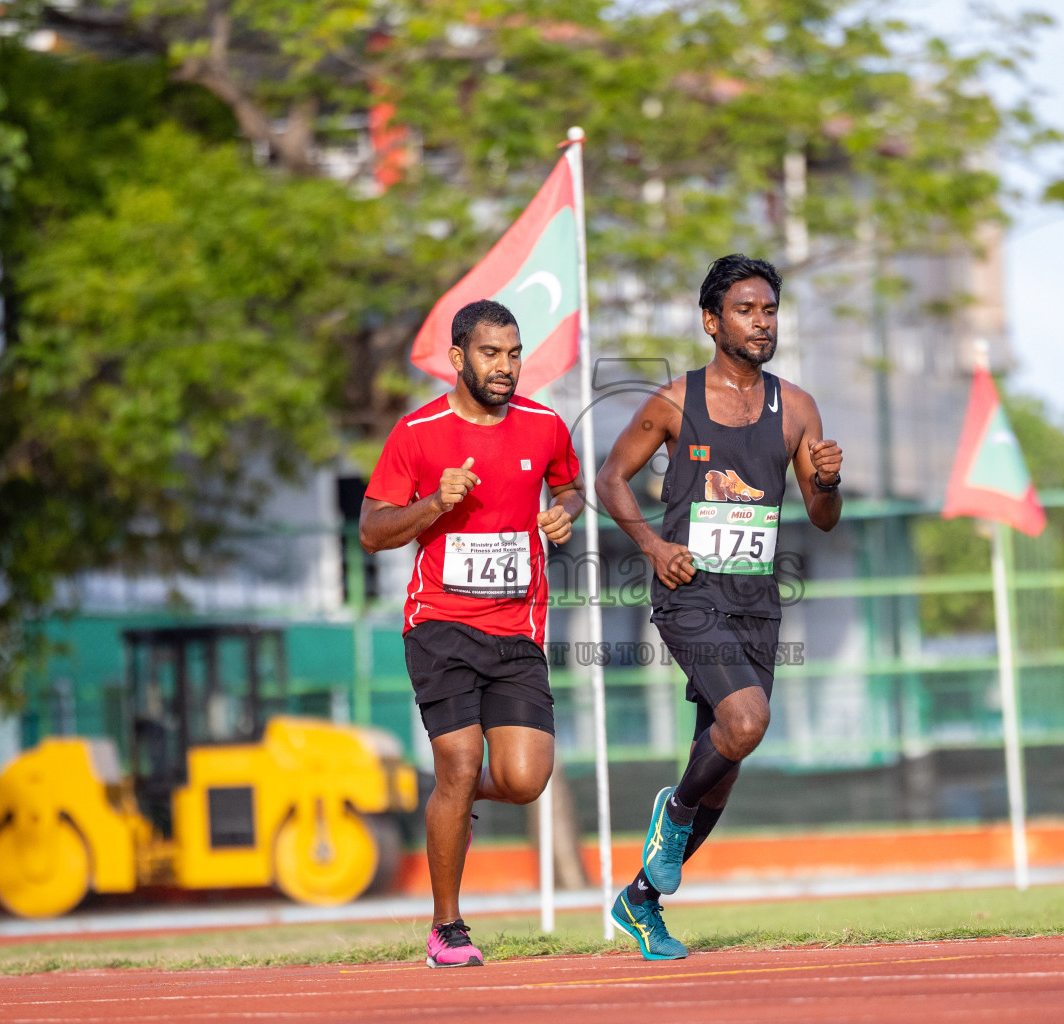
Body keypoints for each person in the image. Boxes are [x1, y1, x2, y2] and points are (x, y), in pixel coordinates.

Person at [595, 254, 844, 959]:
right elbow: (612, 478)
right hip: (689, 592)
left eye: (769, 310)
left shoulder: (796, 407)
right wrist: (649, 544)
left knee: (728, 760)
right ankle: (670, 815)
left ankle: (641, 900)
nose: (761, 323)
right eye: (745, 310)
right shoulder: (677, 400)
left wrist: (826, 481)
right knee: (747, 719)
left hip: (756, 603)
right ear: (712, 321)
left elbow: (823, 516)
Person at [359, 298, 583, 969]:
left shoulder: (544, 425)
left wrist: (562, 513)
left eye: (514, 354)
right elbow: (372, 532)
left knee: (523, 778)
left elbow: (569, 487)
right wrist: (435, 504)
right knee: (458, 762)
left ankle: (451, 802)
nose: (505, 367)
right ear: (458, 358)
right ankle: (446, 928)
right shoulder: (418, 433)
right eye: (491, 353)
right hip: (441, 625)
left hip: (518, 628)